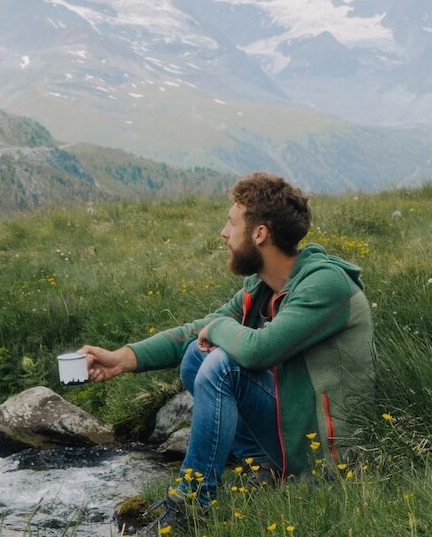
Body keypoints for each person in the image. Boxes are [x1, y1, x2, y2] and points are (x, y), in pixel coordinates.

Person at [80, 172, 376, 532]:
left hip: (328, 457)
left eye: (231, 221)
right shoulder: (264, 287)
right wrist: (122, 358)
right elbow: (197, 330)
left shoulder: (325, 285)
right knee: (196, 355)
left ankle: (192, 503)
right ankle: (262, 467)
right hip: (292, 429)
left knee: (224, 365)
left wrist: (218, 329)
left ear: (260, 233)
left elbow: (257, 351)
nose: (223, 232)